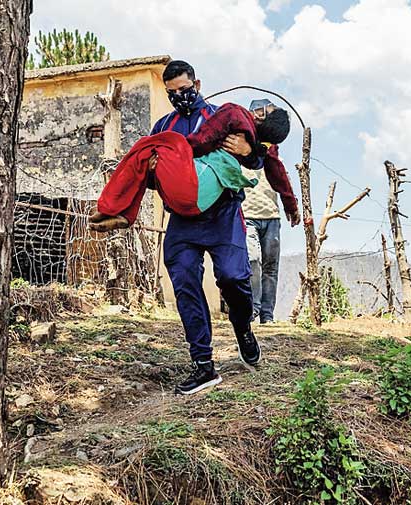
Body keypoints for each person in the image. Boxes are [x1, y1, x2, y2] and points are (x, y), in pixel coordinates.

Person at [112, 60, 262, 395]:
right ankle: (203, 365)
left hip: (224, 213)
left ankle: (243, 327)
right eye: (172, 93)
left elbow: (257, 159)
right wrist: (152, 171)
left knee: (233, 278)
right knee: (184, 283)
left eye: (185, 89)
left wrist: (248, 150)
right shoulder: (163, 127)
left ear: (197, 84)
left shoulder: (222, 116)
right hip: (182, 218)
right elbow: (149, 177)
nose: (180, 96)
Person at [90, 102, 291, 227]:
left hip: (191, 186)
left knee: (149, 145)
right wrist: (291, 205)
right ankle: (123, 214)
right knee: (150, 158)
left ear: (262, 116)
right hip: (202, 202)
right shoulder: (264, 146)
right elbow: (277, 172)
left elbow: (200, 141)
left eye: (267, 109)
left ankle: (112, 207)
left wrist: (176, 152)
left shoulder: (236, 113)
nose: (260, 108)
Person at [242, 99, 301, 324]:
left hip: (271, 216)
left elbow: (281, 178)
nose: (261, 116)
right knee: (253, 261)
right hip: (246, 215)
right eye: (258, 112)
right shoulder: (239, 142)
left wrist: (291, 206)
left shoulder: (271, 149)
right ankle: (253, 309)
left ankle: (267, 315)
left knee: (270, 267)